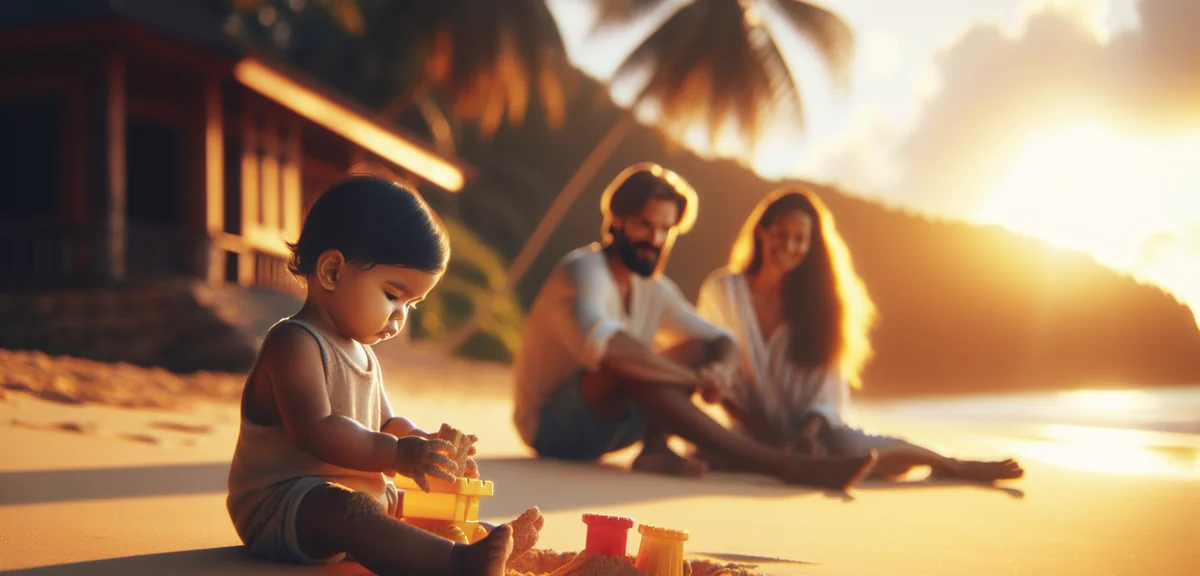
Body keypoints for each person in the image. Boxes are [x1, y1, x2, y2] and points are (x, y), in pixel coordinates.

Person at [226, 176, 542, 576]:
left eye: (412, 303)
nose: (400, 315)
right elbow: (316, 430)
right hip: (285, 506)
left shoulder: (364, 354)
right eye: (393, 295)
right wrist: (396, 456)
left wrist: (426, 447)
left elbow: (387, 424)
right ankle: (456, 562)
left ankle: (472, 537)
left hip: (353, 497)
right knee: (347, 509)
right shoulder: (294, 342)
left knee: (396, 502)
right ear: (332, 272)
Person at [512, 163, 878, 490]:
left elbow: (722, 339)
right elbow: (613, 352)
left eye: (665, 230)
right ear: (616, 221)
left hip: (612, 430)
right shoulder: (582, 272)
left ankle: (655, 450)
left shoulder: (653, 289)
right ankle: (776, 462)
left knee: (699, 348)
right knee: (626, 363)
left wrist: (718, 370)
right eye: (644, 225)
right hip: (552, 431)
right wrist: (691, 380)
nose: (654, 241)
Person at [696, 187, 1024, 482]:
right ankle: (787, 461)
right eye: (781, 234)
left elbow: (826, 395)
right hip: (748, 431)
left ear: (811, 246)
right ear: (762, 232)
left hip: (813, 434)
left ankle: (954, 465)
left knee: (874, 451)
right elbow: (716, 372)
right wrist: (771, 441)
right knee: (711, 452)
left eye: (800, 240)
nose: (789, 247)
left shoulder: (821, 306)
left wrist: (806, 437)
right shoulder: (723, 290)